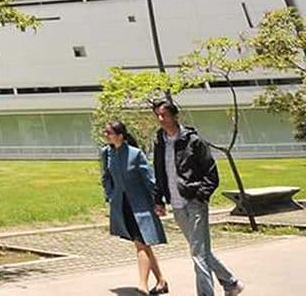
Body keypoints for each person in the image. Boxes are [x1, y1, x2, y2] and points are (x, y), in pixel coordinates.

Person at [152, 99, 244, 296]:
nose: (160, 119)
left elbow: (212, 174)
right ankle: (231, 283)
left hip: (194, 202)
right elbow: (159, 172)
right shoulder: (159, 141)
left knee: (197, 253)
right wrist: (158, 199)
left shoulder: (194, 141)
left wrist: (200, 196)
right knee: (201, 251)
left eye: (164, 115)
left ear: (175, 116)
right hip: (176, 204)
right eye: (157, 115)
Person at [101, 120, 169, 295]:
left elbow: (149, 179)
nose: (105, 135)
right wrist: (110, 195)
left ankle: (143, 285)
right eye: (105, 133)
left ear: (120, 135)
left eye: (109, 132)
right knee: (143, 244)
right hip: (121, 206)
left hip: (141, 206)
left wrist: (157, 201)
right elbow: (106, 178)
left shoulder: (135, 154)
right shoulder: (106, 153)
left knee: (141, 244)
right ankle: (161, 281)